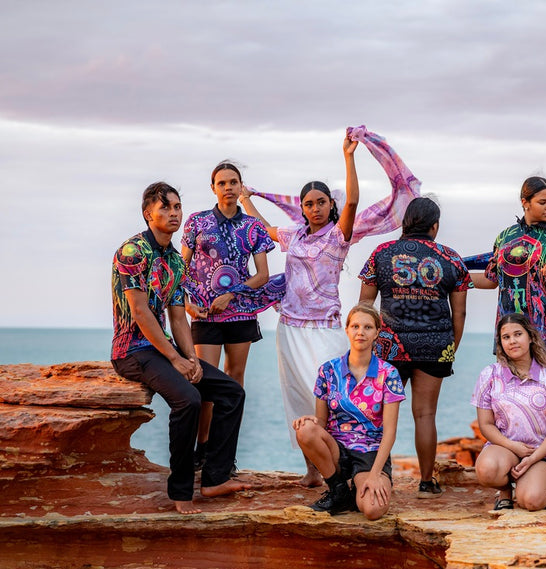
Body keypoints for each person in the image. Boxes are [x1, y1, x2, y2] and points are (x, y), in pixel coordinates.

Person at [110, 182, 251, 515]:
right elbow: (142, 312)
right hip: (132, 350)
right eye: (165, 208)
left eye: (177, 207)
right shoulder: (132, 251)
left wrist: (191, 359)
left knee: (231, 392)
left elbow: (177, 317)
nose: (173, 213)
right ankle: (181, 491)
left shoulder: (175, 259)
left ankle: (215, 477)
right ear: (148, 214)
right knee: (188, 400)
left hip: (163, 349)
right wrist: (174, 359)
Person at [240, 133, 360, 487]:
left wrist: (348, 156)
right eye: (309, 204)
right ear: (303, 208)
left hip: (324, 328)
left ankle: (343, 468)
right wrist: (247, 200)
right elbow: (263, 229)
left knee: (331, 396)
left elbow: (352, 200)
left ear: (329, 205)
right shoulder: (295, 236)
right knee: (296, 397)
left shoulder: (338, 237)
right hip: (290, 327)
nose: (315, 208)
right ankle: (312, 469)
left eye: (321, 202)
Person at [358, 196, 472, 499]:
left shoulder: (381, 254)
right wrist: (451, 347)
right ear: (434, 226)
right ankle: (425, 481)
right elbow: (459, 313)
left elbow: (365, 306)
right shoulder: (450, 258)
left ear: (406, 222)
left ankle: (378, 476)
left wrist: (364, 344)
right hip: (435, 345)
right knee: (424, 415)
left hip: (389, 346)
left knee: (379, 414)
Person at [181, 161, 275, 470]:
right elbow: (182, 270)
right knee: (205, 383)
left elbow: (262, 275)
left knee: (234, 383)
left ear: (240, 185)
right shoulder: (196, 222)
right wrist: (187, 304)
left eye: (233, 182)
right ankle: (201, 449)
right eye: (222, 183)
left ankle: (225, 456)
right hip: (204, 316)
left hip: (240, 316)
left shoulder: (253, 228)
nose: (228, 187)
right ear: (213, 188)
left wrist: (232, 294)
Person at [292, 303, 405, 519]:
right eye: (355, 326)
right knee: (305, 429)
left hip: (369, 453)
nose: (360, 332)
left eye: (367, 327)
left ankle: (359, 485)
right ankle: (339, 490)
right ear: (347, 330)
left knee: (372, 510)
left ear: (377, 333)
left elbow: (390, 432)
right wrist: (311, 421)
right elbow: (321, 422)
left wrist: (374, 475)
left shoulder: (388, 374)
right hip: (337, 451)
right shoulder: (328, 370)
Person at [471, 176, 546, 381]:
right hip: (509, 331)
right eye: (543, 202)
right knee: (508, 396)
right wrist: (458, 277)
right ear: (525, 202)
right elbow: (491, 279)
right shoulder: (505, 237)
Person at [472, 314, 546, 511]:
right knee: (486, 471)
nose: (512, 341)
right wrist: (513, 447)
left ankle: (544, 482)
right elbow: (486, 424)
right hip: (505, 447)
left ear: (531, 337)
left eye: (518, 334)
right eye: (506, 337)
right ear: (500, 343)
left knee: (531, 502)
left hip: (542, 452)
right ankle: (506, 490)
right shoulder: (489, 375)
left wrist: (532, 458)